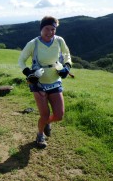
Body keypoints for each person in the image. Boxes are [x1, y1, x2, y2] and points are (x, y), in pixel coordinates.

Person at [18, 16, 72, 148]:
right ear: (41, 29)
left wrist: (67, 67)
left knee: (59, 115)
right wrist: (28, 73)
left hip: (55, 81)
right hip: (38, 83)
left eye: (53, 29)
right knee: (44, 114)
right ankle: (40, 135)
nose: (50, 32)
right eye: (47, 29)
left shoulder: (59, 41)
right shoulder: (33, 43)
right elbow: (21, 60)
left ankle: (47, 122)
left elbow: (67, 55)